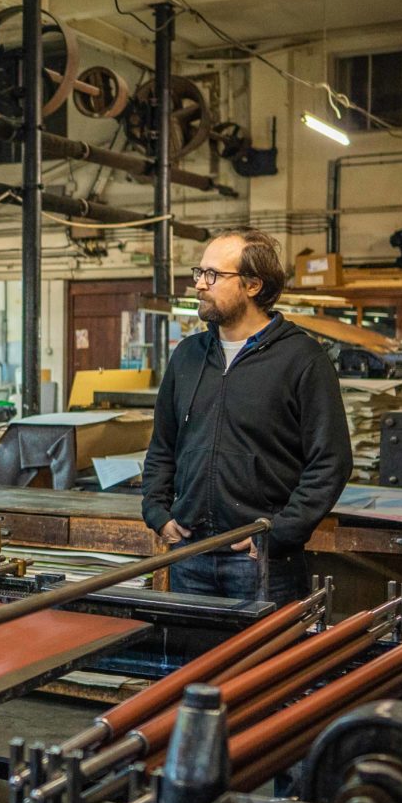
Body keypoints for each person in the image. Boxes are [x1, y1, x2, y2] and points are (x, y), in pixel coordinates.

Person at [139, 229, 350, 603]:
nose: (199, 285)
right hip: (190, 552)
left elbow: (330, 462)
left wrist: (280, 532)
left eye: (213, 275)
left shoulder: (302, 359)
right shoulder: (188, 356)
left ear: (253, 285)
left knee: (268, 646)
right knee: (190, 644)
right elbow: (162, 446)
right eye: (199, 272)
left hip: (262, 560)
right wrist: (157, 511)